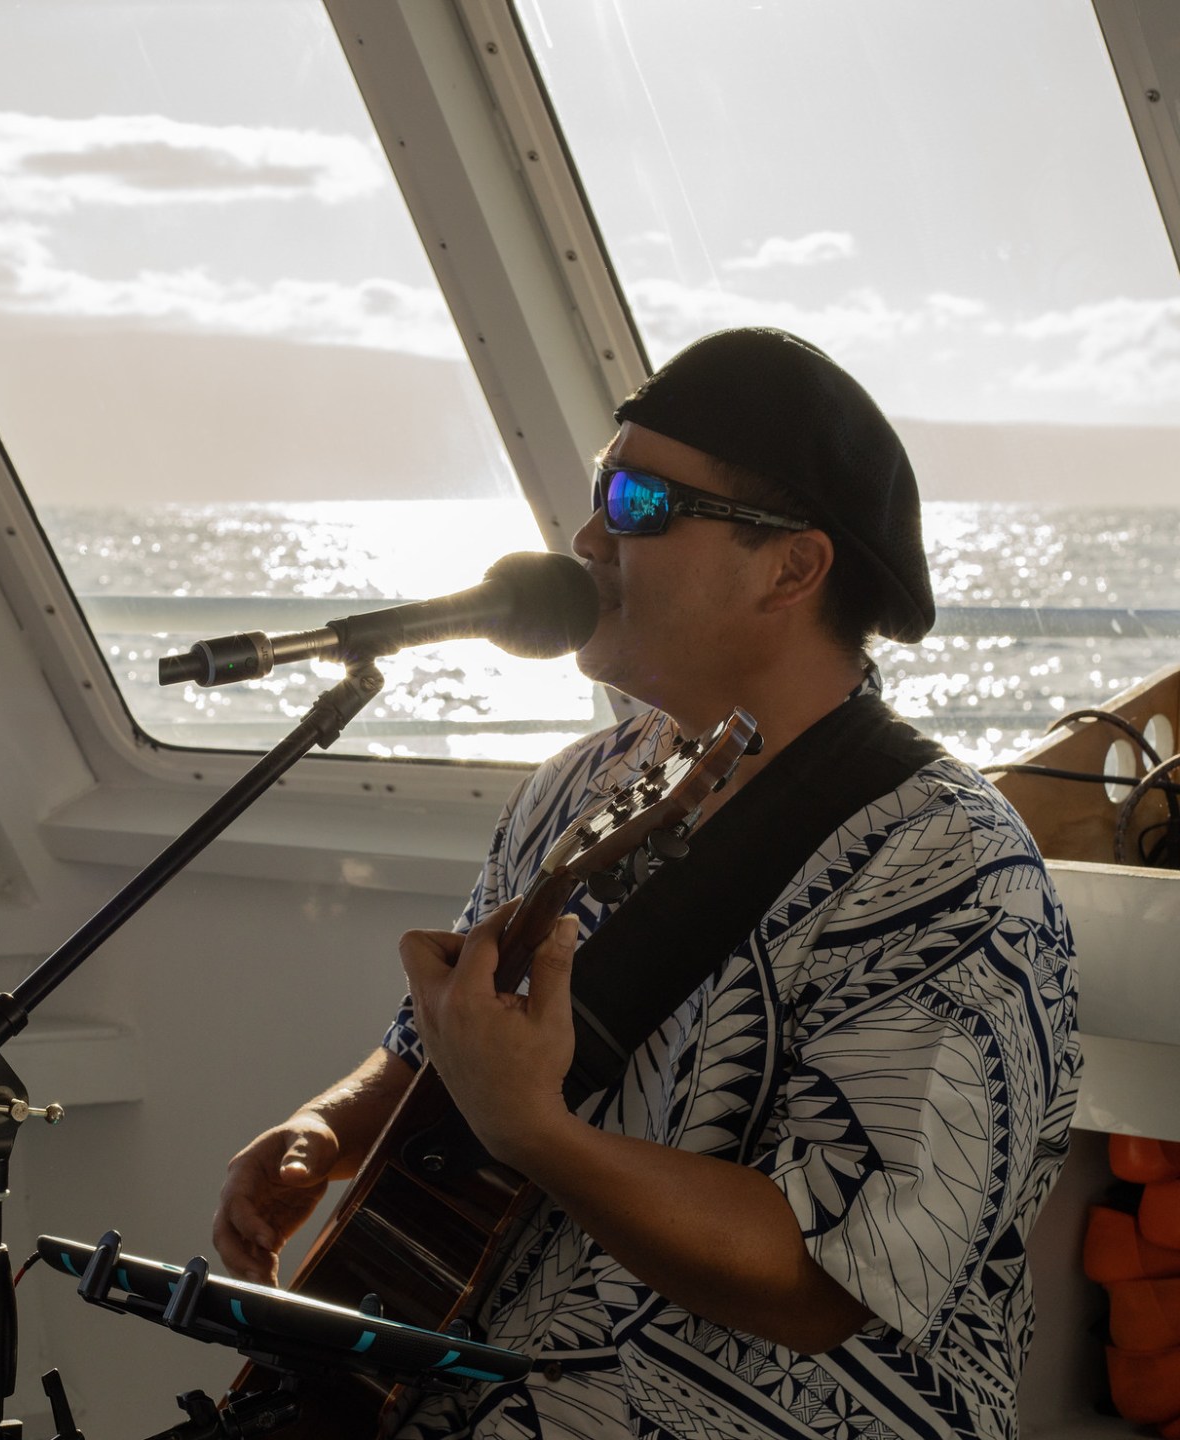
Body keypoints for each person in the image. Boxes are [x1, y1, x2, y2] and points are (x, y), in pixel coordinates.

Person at [211, 328, 1080, 1440]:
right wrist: (328, 1127)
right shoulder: (586, 780)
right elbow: (455, 1049)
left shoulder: (951, 868)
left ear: (792, 568)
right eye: (596, 489)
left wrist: (541, 1135)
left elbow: (827, 1279)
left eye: (639, 501)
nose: (586, 536)